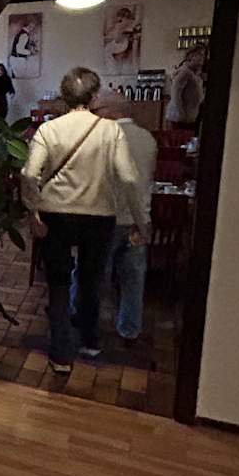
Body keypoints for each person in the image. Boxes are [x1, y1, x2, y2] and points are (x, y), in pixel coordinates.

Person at [21, 66, 149, 373]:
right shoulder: (110, 131)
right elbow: (129, 178)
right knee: (92, 281)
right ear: (94, 96)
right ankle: (90, 342)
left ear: (64, 95)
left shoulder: (49, 130)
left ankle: (60, 355)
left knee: (58, 283)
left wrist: (33, 211)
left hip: (56, 214)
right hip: (99, 215)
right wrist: (140, 220)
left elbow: (29, 174)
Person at [89, 90, 157, 341]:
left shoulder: (103, 137)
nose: (94, 115)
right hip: (139, 221)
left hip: (107, 219)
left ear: (111, 111)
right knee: (133, 280)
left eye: (97, 110)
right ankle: (129, 329)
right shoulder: (148, 138)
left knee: (94, 276)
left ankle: (88, 323)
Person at [167, 43, 207, 128]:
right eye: (200, 54)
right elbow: (175, 93)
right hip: (181, 119)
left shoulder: (195, 74)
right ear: (191, 56)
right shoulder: (185, 72)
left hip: (190, 117)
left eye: (204, 55)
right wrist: (182, 114)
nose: (203, 58)